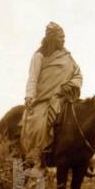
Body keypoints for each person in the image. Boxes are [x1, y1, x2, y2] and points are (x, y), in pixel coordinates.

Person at [21, 22, 83, 169]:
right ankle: (35, 154)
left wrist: (70, 85)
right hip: (44, 99)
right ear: (52, 39)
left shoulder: (67, 56)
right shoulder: (39, 56)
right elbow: (33, 78)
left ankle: (81, 159)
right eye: (60, 38)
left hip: (65, 96)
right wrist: (29, 96)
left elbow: (78, 74)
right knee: (37, 124)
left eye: (64, 37)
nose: (63, 40)